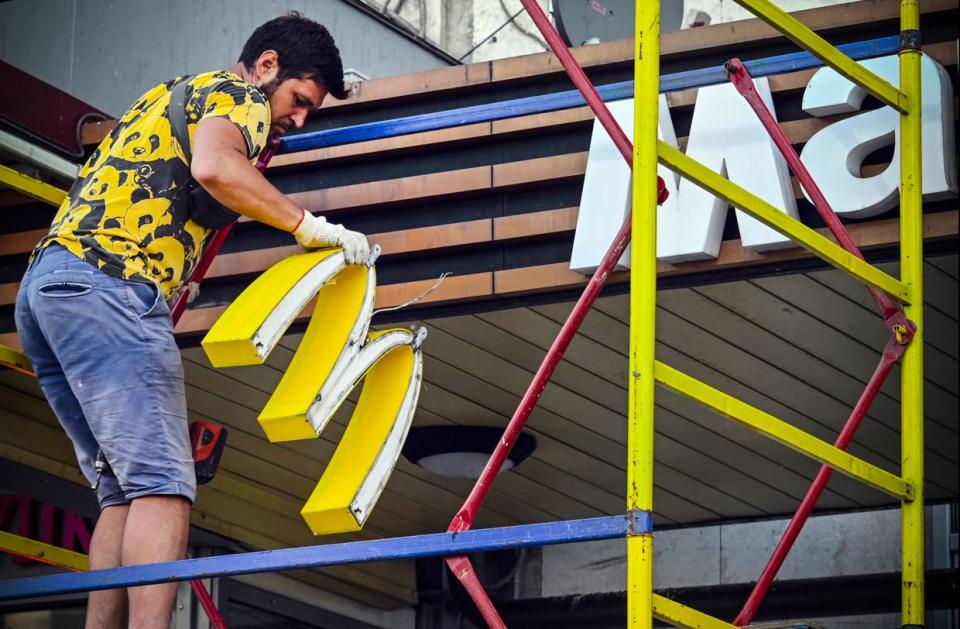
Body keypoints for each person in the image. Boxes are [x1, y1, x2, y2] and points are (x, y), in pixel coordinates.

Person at [14, 12, 367, 629]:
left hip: (49, 289)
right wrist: (308, 226)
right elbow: (216, 168)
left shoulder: (172, 91)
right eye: (300, 100)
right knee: (164, 485)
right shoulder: (241, 98)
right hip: (111, 287)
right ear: (266, 67)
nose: (299, 118)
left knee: (123, 488)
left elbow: (163, 179)